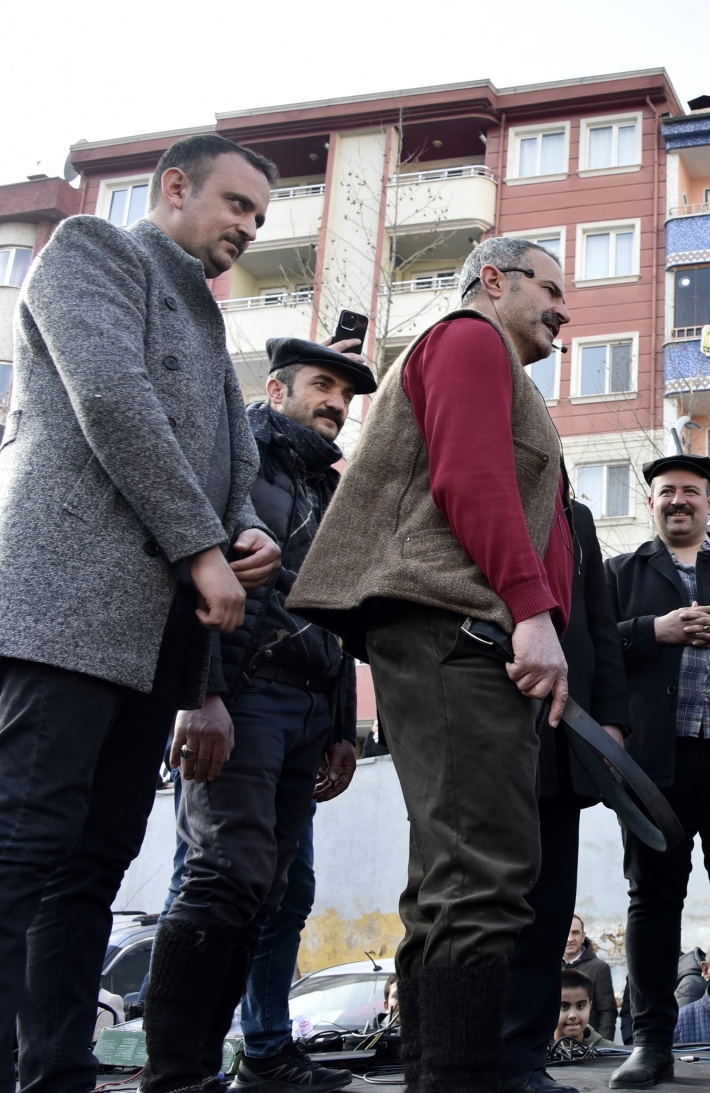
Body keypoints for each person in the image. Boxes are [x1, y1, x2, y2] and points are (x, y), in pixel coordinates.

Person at [0, 133, 284, 1093]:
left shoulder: (210, 326)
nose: (247, 227)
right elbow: (114, 402)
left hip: (153, 646)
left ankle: (59, 1073)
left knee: (92, 867)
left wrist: (245, 533)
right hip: (61, 616)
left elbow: (228, 474)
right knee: (20, 848)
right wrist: (207, 549)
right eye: (238, 204)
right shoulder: (91, 250)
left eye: (259, 217)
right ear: (174, 187)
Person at [288, 235, 589, 1090]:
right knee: (485, 870)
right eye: (552, 288)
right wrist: (531, 611)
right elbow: (473, 479)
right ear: (494, 280)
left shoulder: (491, 356)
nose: (565, 309)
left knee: (451, 873)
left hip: (457, 634)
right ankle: (458, 1078)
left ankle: (437, 1072)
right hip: (460, 631)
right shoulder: (468, 337)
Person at [141, 337, 371, 1093]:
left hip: (309, 707)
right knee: (221, 874)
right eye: (322, 385)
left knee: (266, 885)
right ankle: (174, 1074)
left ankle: (222, 1068)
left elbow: (334, 609)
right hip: (240, 694)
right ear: (276, 390)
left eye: (345, 393)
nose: (335, 402)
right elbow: (195, 572)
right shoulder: (237, 456)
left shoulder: (331, 489)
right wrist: (199, 694)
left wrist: (342, 725)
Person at [605, 454, 710, 1088]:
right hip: (653, 764)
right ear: (651, 504)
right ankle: (651, 1043)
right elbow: (591, 646)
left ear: (709, 504)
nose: (678, 501)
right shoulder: (622, 573)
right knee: (651, 901)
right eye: (667, 492)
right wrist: (655, 630)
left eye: (691, 492)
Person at [503, 498, 629, 1093]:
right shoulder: (490, 506)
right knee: (487, 909)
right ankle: (470, 1056)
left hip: (562, 736)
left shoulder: (574, 518)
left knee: (550, 911)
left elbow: (598, 625)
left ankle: (524, 1061)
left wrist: (611, 722)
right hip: (491, 733)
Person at [562, 916, 617, 1043]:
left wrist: (602, 1048)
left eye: (575, 933)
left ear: (583, 936)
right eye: (566, 932)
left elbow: (607, 1012)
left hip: (589, 1045)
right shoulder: (549, 967)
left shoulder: (599, 968)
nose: (570, 939)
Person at [555, 969, 611, 1049]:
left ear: (589, 1007)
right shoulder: (537, 1053)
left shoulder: (609, 1050)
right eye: (564, 1006)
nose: (572, 1015)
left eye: (580, 1006)